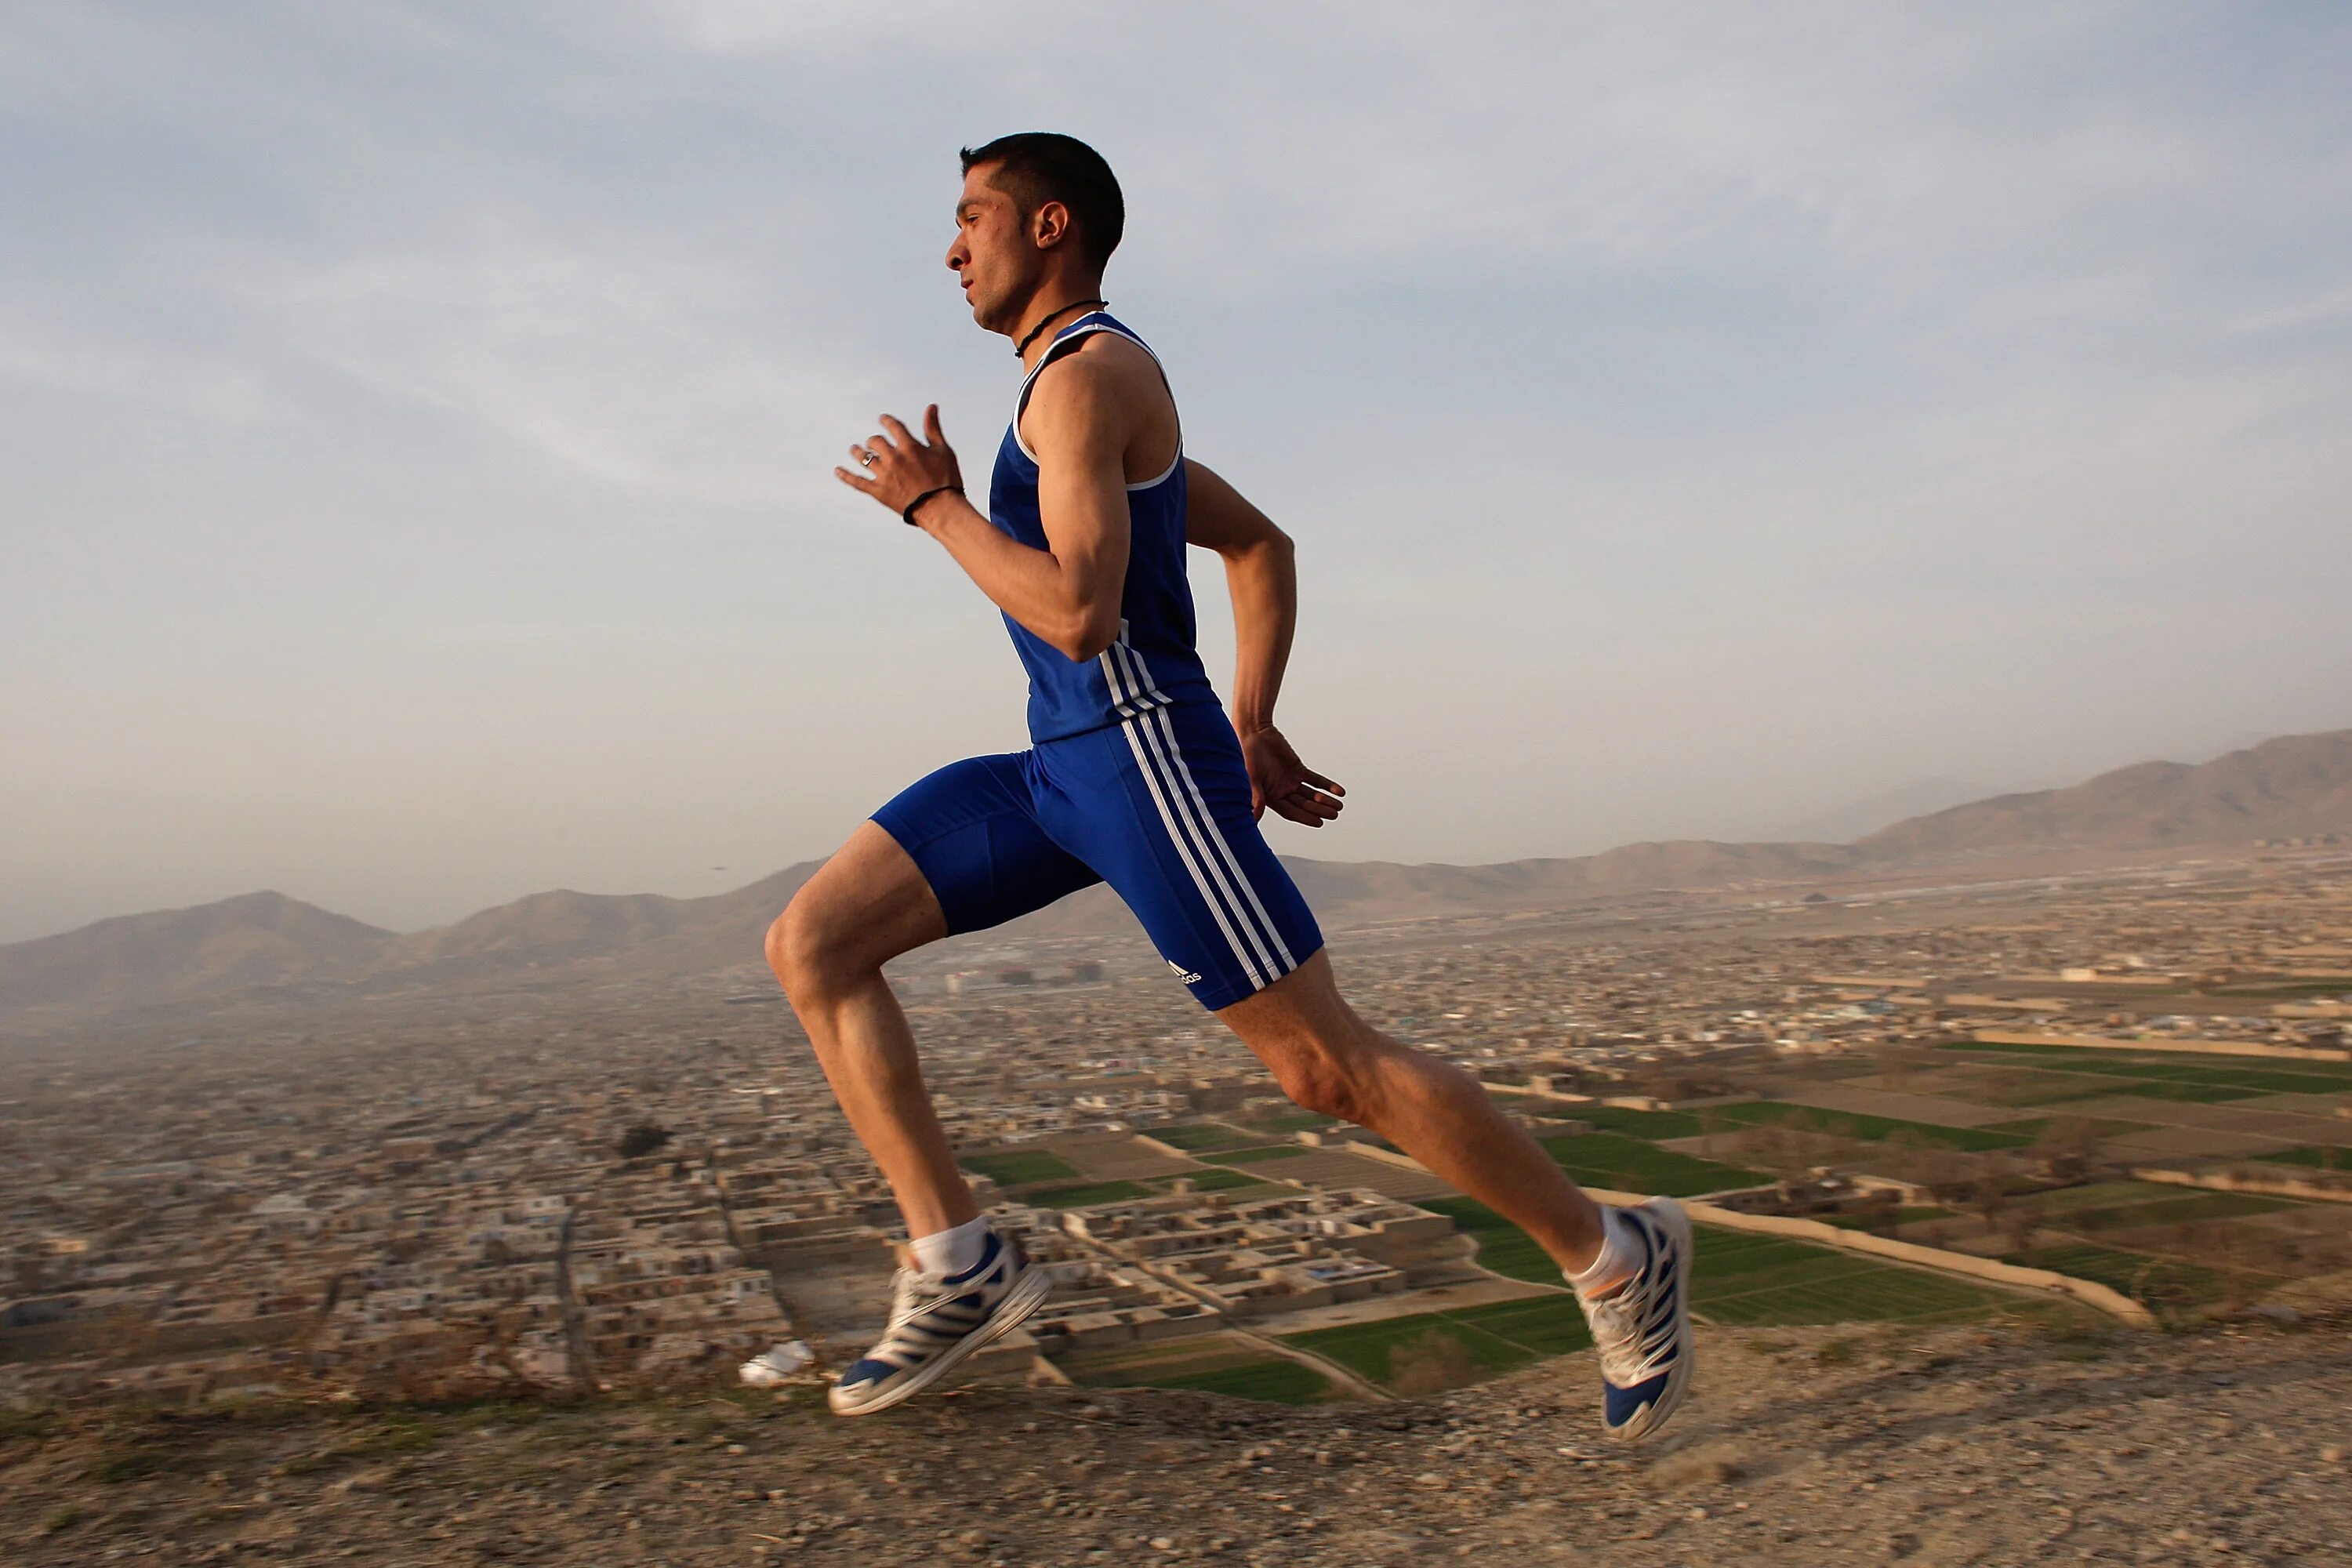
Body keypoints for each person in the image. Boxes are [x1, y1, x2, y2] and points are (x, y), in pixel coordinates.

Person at [766, 132, 1692, 1439]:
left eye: (973, 216)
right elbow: (1257, 542)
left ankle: (1614, 1253)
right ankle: (960, 1264)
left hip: (1137, 762)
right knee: (815, 942)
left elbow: (1082, 614)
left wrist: (936, 511)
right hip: (1063, 764)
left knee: (1324, 1066)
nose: (950, 246)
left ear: (1050, 227)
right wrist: (1253, 720)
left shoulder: (1088, 383)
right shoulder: (1067, 388)